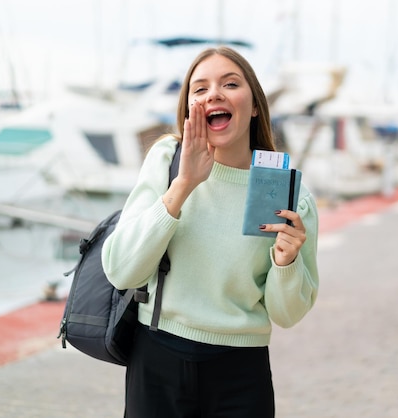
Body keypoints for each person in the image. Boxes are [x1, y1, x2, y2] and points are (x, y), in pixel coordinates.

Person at [101, 46, 319, 417]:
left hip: (241, 369)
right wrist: (184, 184)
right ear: (190, 109)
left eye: (230, 83)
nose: (213, 94)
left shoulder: (288, 195)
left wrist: (286, 262)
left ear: (253, 106)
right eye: (199, 89)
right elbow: (121, 270)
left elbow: (286, 314)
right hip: (157, 359)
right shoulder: (166, 161)